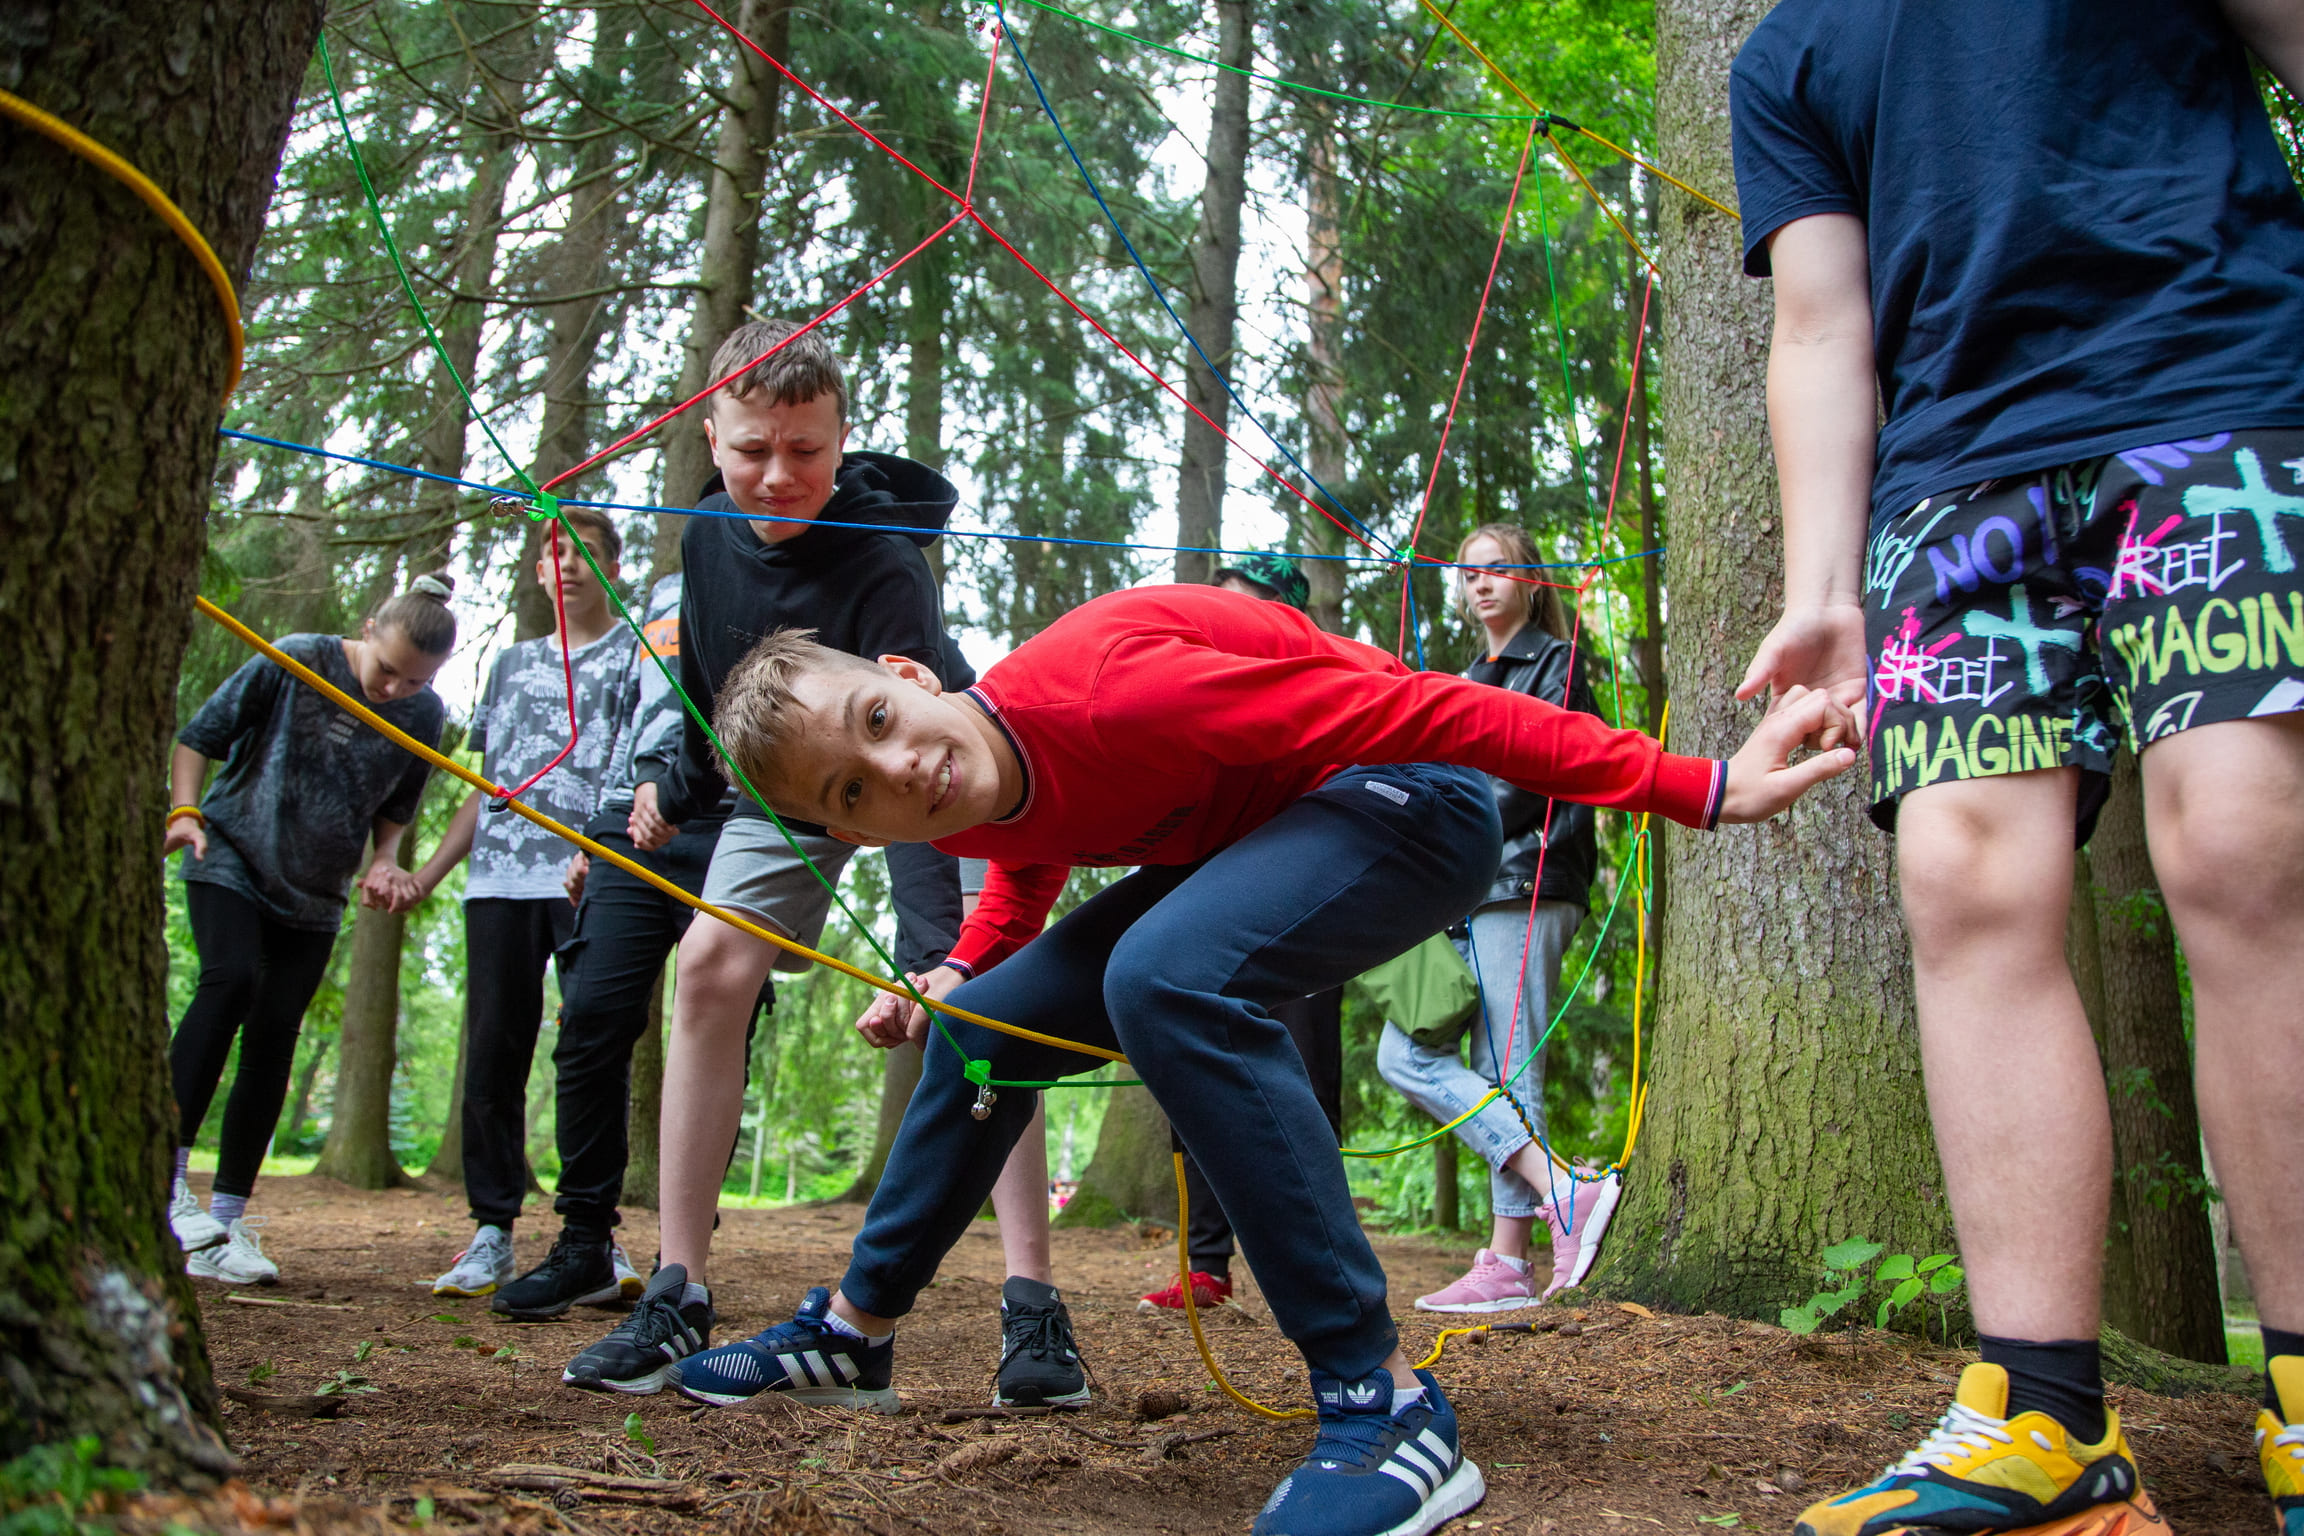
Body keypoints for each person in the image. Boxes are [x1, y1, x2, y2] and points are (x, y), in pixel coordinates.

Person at [661, 583, 1853, 1536]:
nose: (900, 770)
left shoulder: (1117, 689)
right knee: (987, 1031)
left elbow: (1433, 710)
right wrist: (967, 968)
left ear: (910, 676)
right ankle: (855, 1333)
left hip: (1415, 798)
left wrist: (1695, 785)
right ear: (852, 832)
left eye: (878, 723)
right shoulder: (978, 778)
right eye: (855, 791)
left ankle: (1383, 1400)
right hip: (1275, 835)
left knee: (1162, 976)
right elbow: (1035, 838)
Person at [1729, 4, 2304, 1533]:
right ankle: (2042, 1420)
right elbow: (1820, 325)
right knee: (1964, 879)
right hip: (1953, 477)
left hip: (2221, 390)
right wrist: (1821, 590)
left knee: (2241, 843)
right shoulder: (1788, 53)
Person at [556, 320, 1083, 1408]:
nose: (777, 475)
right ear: (712, 436)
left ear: (842, 439)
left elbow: (914, 761)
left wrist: (941, 954)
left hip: (922, 774)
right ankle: (677, 1288)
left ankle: (1032, 1304)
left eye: (805, 449)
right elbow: (710, 691)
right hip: (789, 788)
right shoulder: (706, 532)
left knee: (984, 1005)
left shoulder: (882, 558)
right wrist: (672, 789)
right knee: (707, 967)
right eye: (753, 449)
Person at [165, 576, 457, 1285]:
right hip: (231, 852)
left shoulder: (422, 714)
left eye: (414, 680)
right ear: (368, 628)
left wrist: (385, 861)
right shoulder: (298, 657)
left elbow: (398, 805)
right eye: (387, 670)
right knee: (229, 983)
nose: (393, 689)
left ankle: (226, 1223)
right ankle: (163, 1182)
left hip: (317, 890)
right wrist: (184, 811)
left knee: (274, 1034)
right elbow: (199, 736)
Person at [1375, 523, 1616, 1314]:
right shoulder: (1462, 678)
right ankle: (1560, 1188)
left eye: (1498, 569)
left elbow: (1538, 771)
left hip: (1526, 876)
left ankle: (1509, 1259)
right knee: (1404, 1054)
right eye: (1469, 572)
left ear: (1530, 580)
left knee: (1508, 1068)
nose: (1480, 583)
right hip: (1462, 886)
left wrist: (1448, 827)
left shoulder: (1557, 662)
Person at [408, 507, 644, 1300]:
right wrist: (428, 874)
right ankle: (491, 1231)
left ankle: (593, 1234)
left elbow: (637, 768)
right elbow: (486, 786)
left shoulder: (636, 655)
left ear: (611, 566)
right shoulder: (509, 664)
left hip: (591, 876)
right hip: (500, 880)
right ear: (540, 572)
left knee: (594, 1048)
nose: (568, 563)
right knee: (493, 1049)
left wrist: (599, 852)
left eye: (585, 551)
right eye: (555, 553)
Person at [1140, 550, 1348, 1314]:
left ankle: (1323, 1268)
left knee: (1306, 1080)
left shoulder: (1324, 690)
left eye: (1246, 606)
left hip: (1308, 908)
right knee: (1190, 1066)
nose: (1226, 623)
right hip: (1204, 905)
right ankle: (1206, 1265)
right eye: (1219, 606)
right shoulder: (1193, 693)